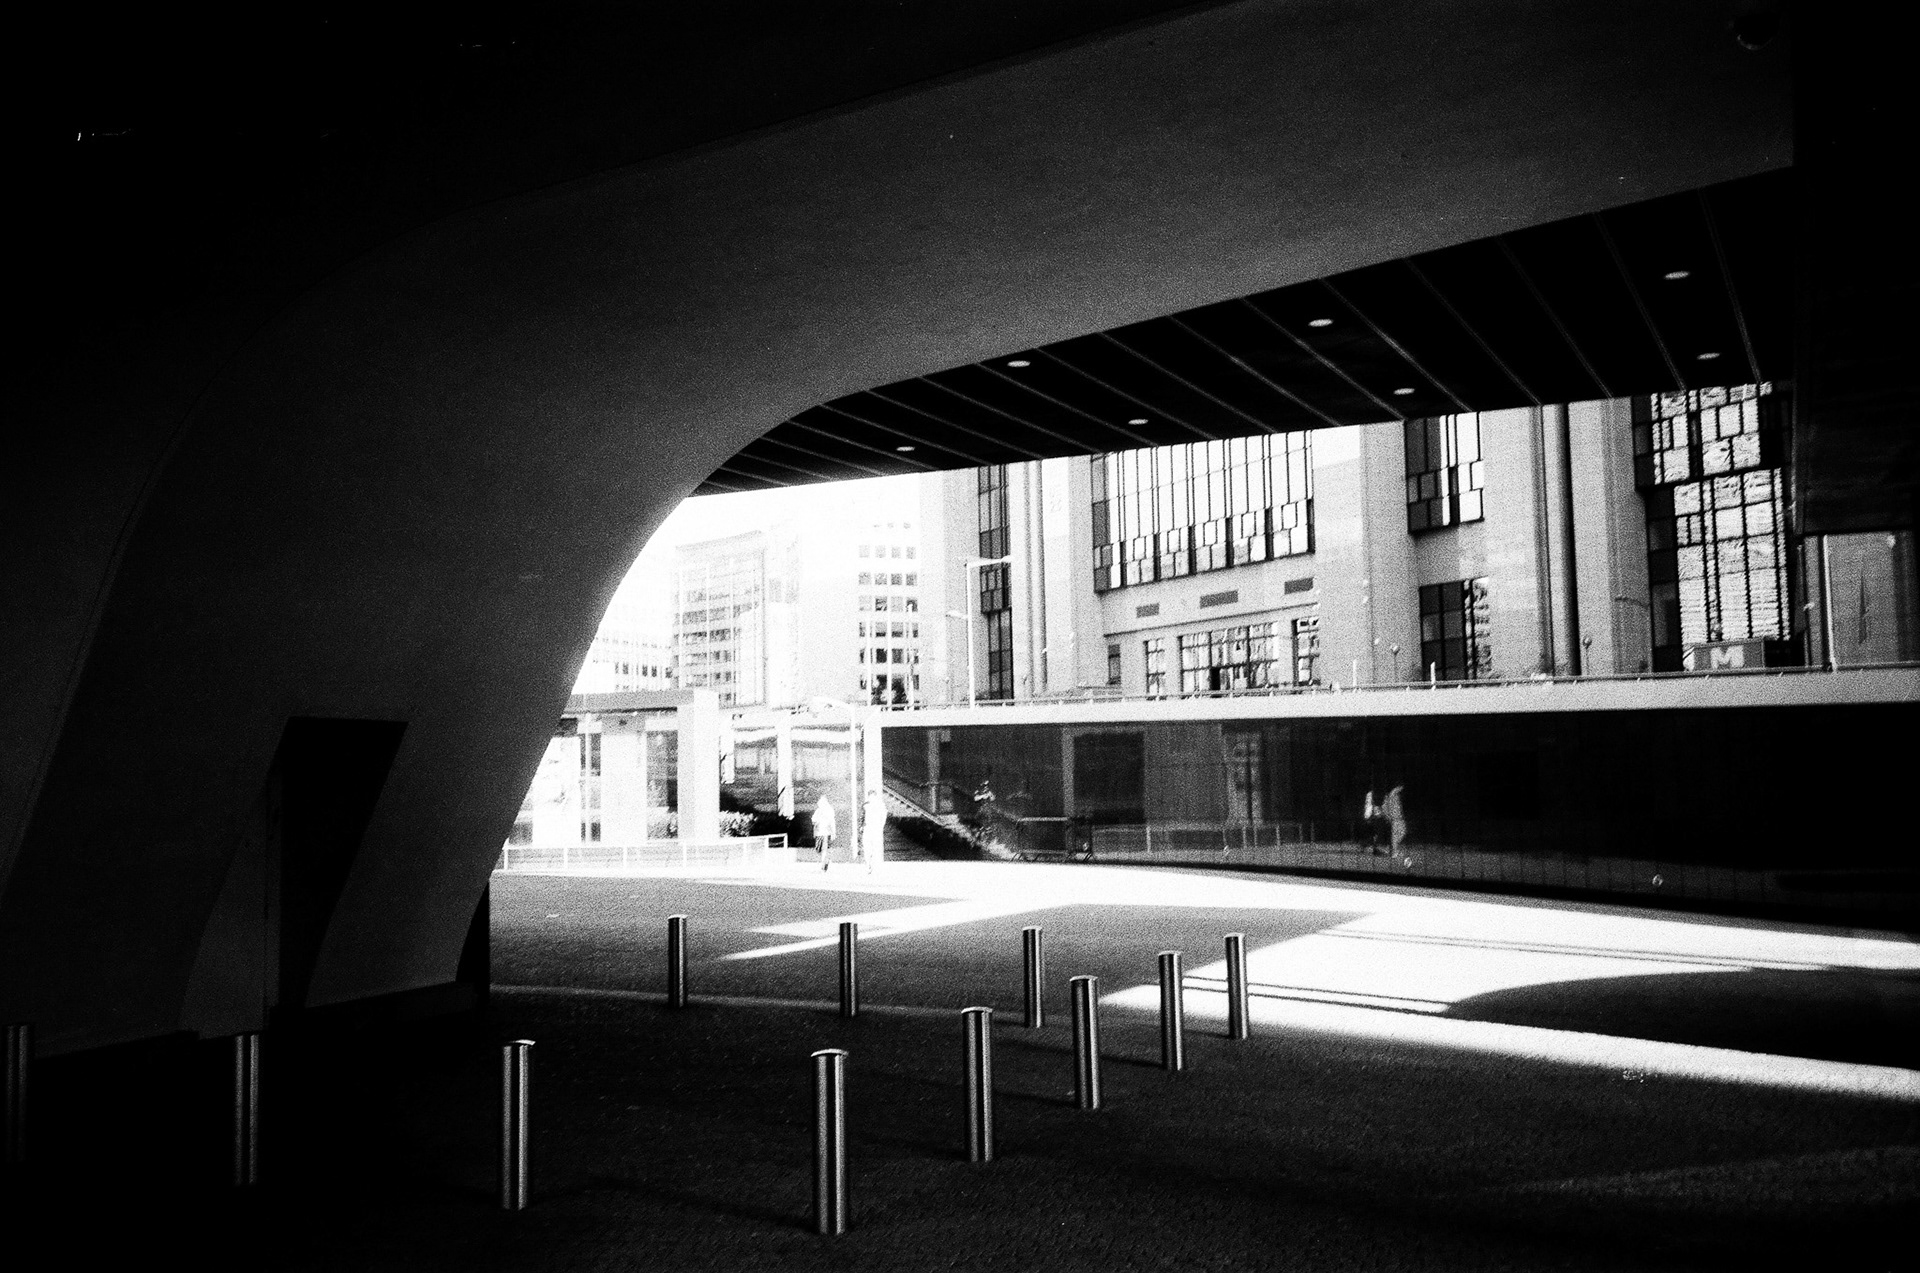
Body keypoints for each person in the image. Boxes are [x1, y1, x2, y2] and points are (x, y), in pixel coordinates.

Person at [1381, 784, 1408, 856]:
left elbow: (1398, 807)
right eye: (1398, 787)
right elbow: (1384, 809)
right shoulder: (1389, 797)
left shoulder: (1396, 796)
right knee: (1395, 836)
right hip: (1394, 819)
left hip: (1400, 818)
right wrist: (1388, 817)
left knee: (1402, 832)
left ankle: (1391, 848)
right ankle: (1393, 852)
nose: (1400, 789)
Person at [814, 794, 837, 871]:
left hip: (826, 832)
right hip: (819, 833)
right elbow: (813, 820)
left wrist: (833, 832)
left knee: (825, 849)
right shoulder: (818, 810)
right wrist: (816, 822)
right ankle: (825, 861)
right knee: (818, 850)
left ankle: (823, 864)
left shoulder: (829, 810)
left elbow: (832, 821)